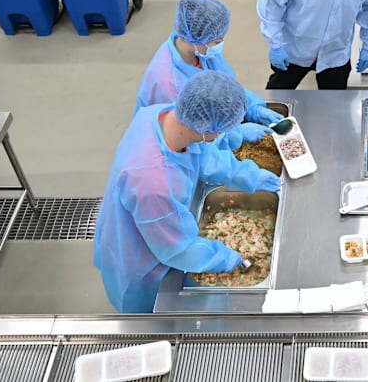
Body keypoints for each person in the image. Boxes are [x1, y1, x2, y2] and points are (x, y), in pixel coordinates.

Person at [94, 72, 281, 313]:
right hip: (139, 258)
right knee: (148, 320)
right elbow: (177, 248)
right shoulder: (153, 183)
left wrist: (248, 175)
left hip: (145, 220)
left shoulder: (162, 116)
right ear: (206, 129)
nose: (222, 136)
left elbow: (202, 155)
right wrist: (224, 257)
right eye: (222, 131)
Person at [135, 0, 283, 150]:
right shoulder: (169, 83)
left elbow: (225, 86)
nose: (220, 45)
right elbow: (192, 138)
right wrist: (237, 133)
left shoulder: (202, 49)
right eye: (217, 41)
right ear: (196, 38)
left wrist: (253, 107)